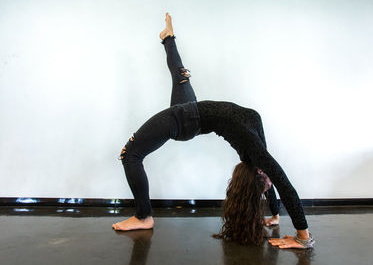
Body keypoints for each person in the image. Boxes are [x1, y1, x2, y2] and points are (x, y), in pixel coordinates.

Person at [112, 13, 315, 249]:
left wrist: (304, 237)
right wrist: (276, 216)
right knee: (180, 78)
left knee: (130, 154)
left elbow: (279, 180)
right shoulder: (256, 147)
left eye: (266, 185)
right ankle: (168, 37)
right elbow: (276, 178)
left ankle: (143, 217)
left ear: (259, 175)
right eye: (267, 186)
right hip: (193, 114)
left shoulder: (254, 153)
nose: (270, 184)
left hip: (185, 120)